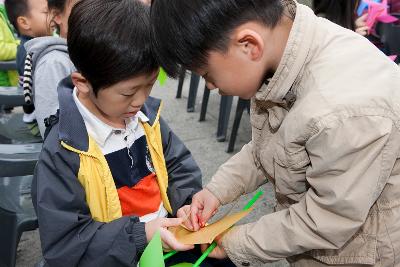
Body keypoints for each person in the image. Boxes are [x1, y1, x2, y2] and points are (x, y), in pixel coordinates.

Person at [151, 0, 400, 266]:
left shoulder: (342, 112)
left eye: (208, 74)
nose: (211, 86)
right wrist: (216, 191)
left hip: (361, 255)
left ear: (248, 45)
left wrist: (235, 241)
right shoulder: (280, 59)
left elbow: (326, 220)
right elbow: (268, 147)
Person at [32, 0, 207, 265]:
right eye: (128, 92)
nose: (139, 101)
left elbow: (178, 165)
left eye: (149, 85)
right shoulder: (64, 152)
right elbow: (66, 243)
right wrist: (141, 235)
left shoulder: (147, 119)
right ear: (83, 83)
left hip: (166, 243)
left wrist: (186, 201)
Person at [23, 0, 76, 136]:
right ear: (57, 16)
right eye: (81, 5)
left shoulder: (86, 52)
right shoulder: (53, 64)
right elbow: (56, 134)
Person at [4, 0, 52, 124]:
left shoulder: (28, 46)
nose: (54, 15)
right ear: (24, 22)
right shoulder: (31, 51)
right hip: (38, 120)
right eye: (47, 12)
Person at [0, 2, 18, 88]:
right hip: (3, 83)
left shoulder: (2, 10)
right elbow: (1, 50)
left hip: (9, 78)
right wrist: (21, 47)